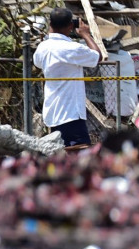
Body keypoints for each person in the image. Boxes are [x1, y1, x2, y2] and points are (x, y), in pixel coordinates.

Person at [33, 8, 104, 148]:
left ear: (50, 23)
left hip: (52, 113)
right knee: (80, 156)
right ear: (71, 25)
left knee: (60, 154)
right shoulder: (72, 48)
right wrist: (85, 35)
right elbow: (98, 56)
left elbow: (37, 63)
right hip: (70, 113)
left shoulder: (42, 48)